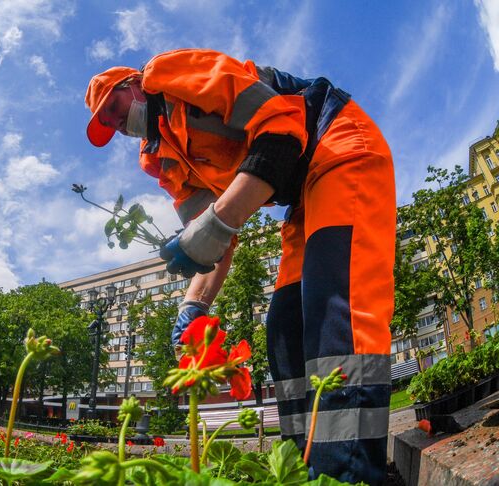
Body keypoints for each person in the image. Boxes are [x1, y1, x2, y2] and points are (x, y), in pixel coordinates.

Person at [85, 48, 394, 485]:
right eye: (110, 125)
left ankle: (348, 472)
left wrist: (215, 223)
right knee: (285, 326)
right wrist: (192, 307)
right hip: (304, 194)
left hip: (339, 145)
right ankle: (302, 465)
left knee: (335, 309)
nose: (117, 124)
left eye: (114, 109)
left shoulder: (170, 76)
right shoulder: (162, 161)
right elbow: (214, 240)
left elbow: (282, 132)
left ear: (132, 83)